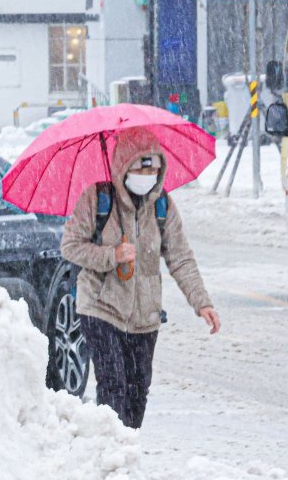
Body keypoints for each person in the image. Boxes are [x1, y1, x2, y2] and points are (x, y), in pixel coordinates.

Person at [60, 127, 221, 429]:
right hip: (100, 307)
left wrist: (202, 302)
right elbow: (70, 246)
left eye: (154, 167)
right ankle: (110, 457)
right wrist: (111, 256)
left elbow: (181, 257)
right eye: (139, 166)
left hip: (145, 315)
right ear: (123, 165)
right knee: (113, 386)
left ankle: (126, 452)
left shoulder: (162, 206)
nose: (147, 173)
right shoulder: (97, 199)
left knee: (138, 392)